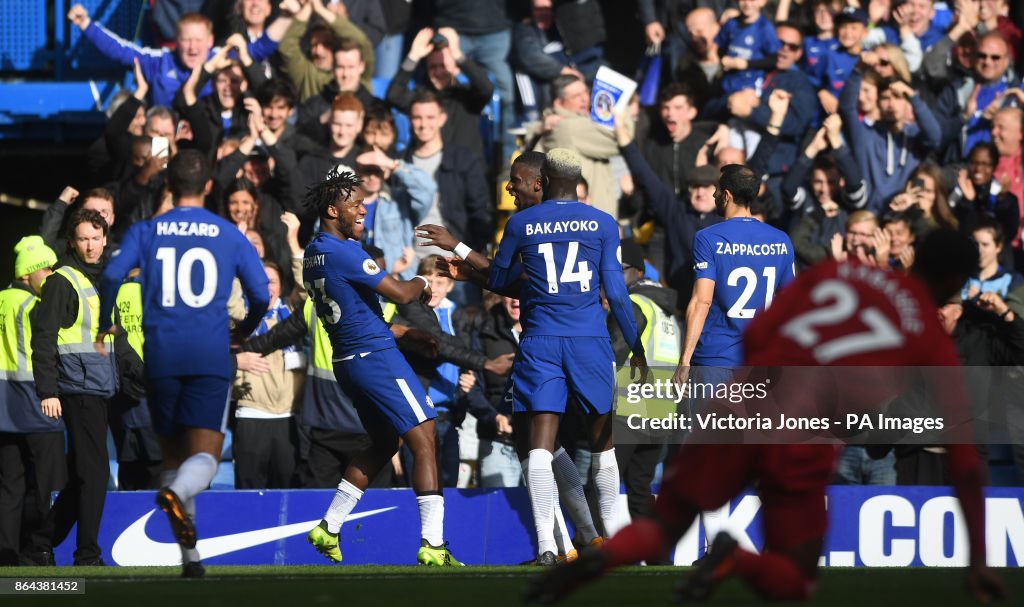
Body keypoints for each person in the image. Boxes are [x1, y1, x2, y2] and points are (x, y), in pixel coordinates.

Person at [528, 230, 1008, 604]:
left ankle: (595, 561)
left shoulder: (839, 274)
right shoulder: (929, 336)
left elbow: (761, 332)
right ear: (955, 284)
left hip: (743, 399)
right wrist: (980, 559)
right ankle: (735, 562)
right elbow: (964, 460)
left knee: (668, 520)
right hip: (800, 430)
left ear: (915, 255)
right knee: (796, 579)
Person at [439, 149, 648, 564]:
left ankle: (550, 548)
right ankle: (617, 548)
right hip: (590, 341)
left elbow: (499, 280)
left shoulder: (521, 223)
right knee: (603, 448)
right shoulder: (604, 224)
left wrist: (468, 258)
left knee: (537, 447)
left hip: (541, 343)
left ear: (544, 179)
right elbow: (617, 294)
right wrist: (636, 348)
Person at [98, 149, 270, 577]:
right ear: (209, 185)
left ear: (168, 185)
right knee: (205, 456)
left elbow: (110, 275)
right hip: (209, 354)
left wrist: (106, 324)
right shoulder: (227, 233)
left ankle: (190, 561)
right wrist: (244, 328)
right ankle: (176, 499)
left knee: (173, 456)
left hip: (161, 356)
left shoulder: (146, 231)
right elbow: (262, 294)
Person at [300, 166, 463, 566]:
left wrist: (405, 334)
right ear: (332, 209)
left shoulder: (313, 252)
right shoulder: (344, 251)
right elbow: (403, 292)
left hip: (351, 361)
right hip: (375, 359)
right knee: (425, 435)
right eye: (353, 204)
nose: (362, 211)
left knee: (385, 442)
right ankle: (433, 544)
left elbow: (356, 312)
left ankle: (329, 527)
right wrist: (426, 283)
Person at [28, 209, 118, 567]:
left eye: (96, 238)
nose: (91, 245)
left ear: (106, 239)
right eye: (84, 239)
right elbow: (44, 338)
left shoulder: (101, 279)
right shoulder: (63, 281)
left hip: (98, 387)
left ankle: (38, 542)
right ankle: (87, 555)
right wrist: (47, 391)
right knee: (93, 475)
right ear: (72, 241)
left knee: (83, 474)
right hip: (77, 389)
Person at [0, 237, 66, 566]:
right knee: (49, 485)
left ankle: (6, 553)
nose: (51, 274)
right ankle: (41, 551)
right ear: (27, 274)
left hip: (3, 410)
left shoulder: (1, 300)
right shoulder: (35, 306)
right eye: (46, 268)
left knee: (9, 485)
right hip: (38, 404)